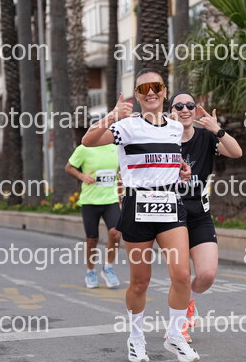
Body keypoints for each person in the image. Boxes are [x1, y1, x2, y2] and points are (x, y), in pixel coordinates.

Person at [82, 68, 199, 362]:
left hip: (170, 204)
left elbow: (168, 159)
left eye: (155, 86)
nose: (150, 92)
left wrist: (181, 170)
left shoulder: (175, 127)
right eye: (143, 88)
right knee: (140, 282)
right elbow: (88, 141)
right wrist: (112, 115)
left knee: (182, 275)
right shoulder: (127, 126)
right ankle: (136, 337)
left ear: (164, 91)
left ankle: (175, 335)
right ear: (136, 95)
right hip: (138, 207)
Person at [168, 92, 242, 342]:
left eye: (190, 105)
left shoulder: (206, 137)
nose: (185, 109)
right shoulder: (163, 138)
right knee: (180, 275)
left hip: (199, 214)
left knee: (207, 274)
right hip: (171, 215)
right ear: (171, 111)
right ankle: (178, 327)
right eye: (179, 106)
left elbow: (236, 152)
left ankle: (189, 301)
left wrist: (217, 130)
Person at [65, 141, 121, 289]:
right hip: (90, 201)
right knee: (92, 239)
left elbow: (121, 169)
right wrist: (82, 176)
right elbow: (69, 167)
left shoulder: (116, 149)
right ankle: (90, 271)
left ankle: (108, 268)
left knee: (115, 233)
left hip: (111, 199)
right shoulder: (84, 149)